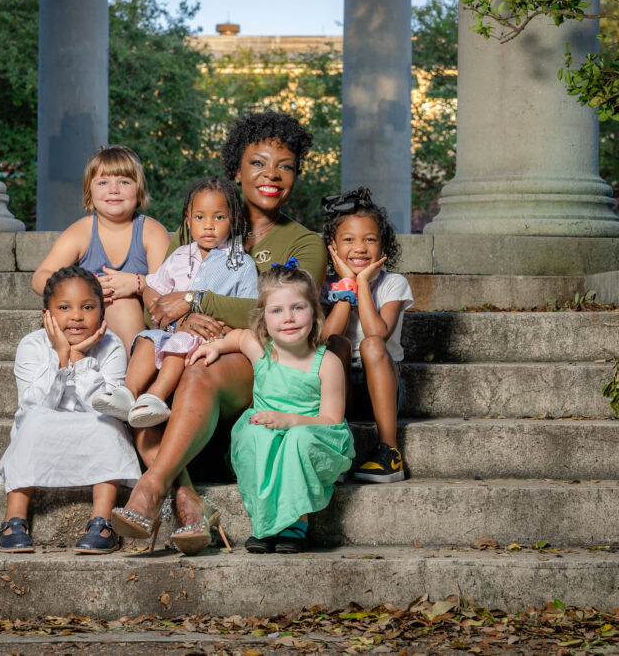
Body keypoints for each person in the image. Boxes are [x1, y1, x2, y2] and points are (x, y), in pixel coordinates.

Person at [111, 111, 328, 555]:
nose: (272, 175)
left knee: (199, 368)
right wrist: (181, 317)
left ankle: (151, 488)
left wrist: (196, 303)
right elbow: (160, 304)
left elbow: (284, 314)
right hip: (186, 355)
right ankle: (190, 503)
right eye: (258, 163)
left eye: (285, 166)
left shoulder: (304, 243)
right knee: (139, 397)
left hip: (258, 365)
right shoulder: (194, 229)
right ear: (237, 169)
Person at [187, 263, 353, 553]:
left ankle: (295, 523)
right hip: (267, 428)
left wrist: (290, 420)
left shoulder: (327, 363)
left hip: (313, 434)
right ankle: (265, 524)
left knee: (297, 441)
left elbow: (331, 420)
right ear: (263, 318)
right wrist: (216, 346)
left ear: (314, 310)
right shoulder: (260, 349)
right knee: (254, 435)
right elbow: (238, 337)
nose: (288, 318)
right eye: (276, 311)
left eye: (298, 308)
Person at [0, 266, 141, 554]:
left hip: (93, 427)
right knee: (33, 421)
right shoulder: (32, 345)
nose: (76, 316)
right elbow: (33, 404)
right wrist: (62, 357)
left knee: (107, 423)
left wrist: (80, 358)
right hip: (43, 427)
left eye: (87, 307)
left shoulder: (111, 346)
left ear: (102, 312)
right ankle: (14, 518)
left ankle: (103, 521)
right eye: (64, 307)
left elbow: (109, 404)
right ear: (46, 313)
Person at [91, 176, 257, 428]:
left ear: (233, 219)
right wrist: (164, 316)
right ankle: (127, 392)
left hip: (210, 337)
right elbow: (155, 293)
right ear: (188, 221)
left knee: (179, 345)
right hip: (170, 329)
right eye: (200, 217)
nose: (209, 226)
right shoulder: (180, 255)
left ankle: (155, 396)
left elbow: (249, 308)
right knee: (148, 339)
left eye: (219, 217)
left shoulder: (242, 264)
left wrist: (224, 331)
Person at [31, 145, 171, 352]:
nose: (114, 190)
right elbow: (40, 278)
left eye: (124, 182)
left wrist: (139, 283)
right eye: (103, 182)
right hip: (85, 318)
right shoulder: (81, 232)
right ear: (90, 191)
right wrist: (84, 287)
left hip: (141, 318)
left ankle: (131, 379)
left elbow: (168, 287)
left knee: (123, 302)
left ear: (139, 188)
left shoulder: (152, 232)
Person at [321, 187, 413, 483]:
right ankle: (332, 447)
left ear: (383, 246)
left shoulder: (393, 284)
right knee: (337, 343)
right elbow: (325, 338)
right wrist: (346, 285)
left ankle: (389, 451)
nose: (359, 248)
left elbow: (378, 333)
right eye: (348, 240)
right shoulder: (327, 285)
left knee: (372, 344)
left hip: (385, 383)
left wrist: (361, 283)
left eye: (369, 240)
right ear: (332, 247)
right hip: (340, 383)